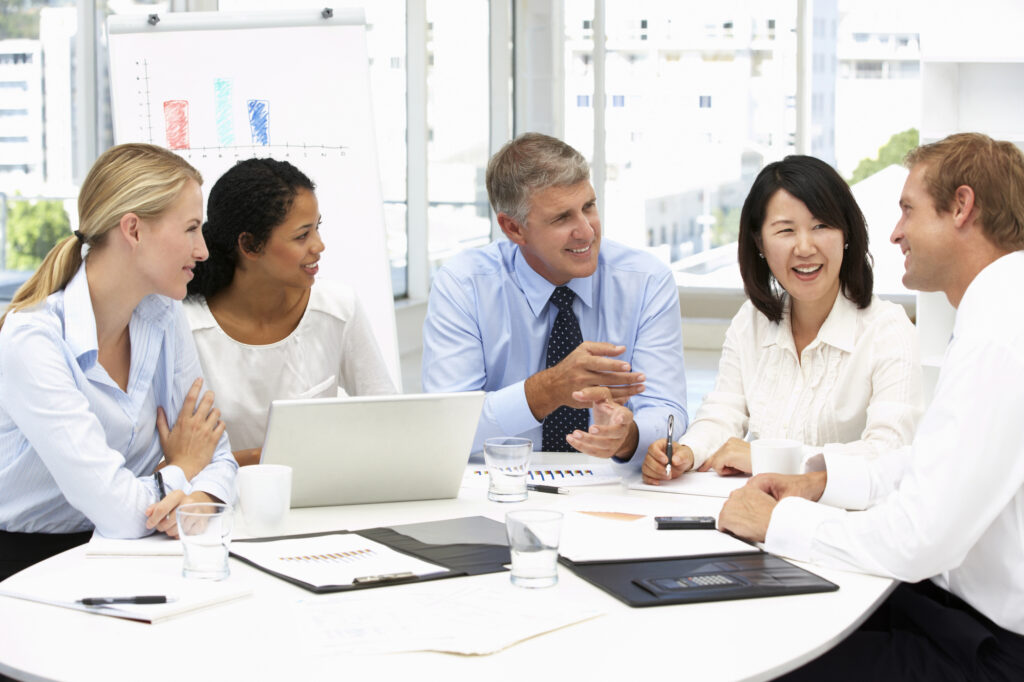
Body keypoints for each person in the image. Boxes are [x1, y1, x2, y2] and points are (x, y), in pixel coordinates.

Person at [719, 133, 1024, 680]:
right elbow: (935, 462)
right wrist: (822, 481)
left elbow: (918, 541)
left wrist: (780, 521)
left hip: (989, 648)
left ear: (961, 207)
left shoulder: (998, 337)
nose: (896, 232)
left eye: (908, 210)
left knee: (760, 660)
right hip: (952, 611)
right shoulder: (998, 311)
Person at [0, 143, 237, 581]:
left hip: (141, 552)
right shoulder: (32, 340)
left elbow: (219, 458)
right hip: (28, 566)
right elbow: (117, 510)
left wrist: (195, 496)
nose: (202, 250)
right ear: (133, 230)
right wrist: (182, 469)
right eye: (190, 229)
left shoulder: (165, 317)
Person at [641, 155, 921, 491]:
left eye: (821, 226)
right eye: (785, 230)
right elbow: (723, 411)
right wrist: (687, 451)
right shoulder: (752, 321)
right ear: (759, 243)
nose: (805, 247)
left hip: (843, 525)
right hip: (755, 514)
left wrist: (766, 458)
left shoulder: (888, 330)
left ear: (846, 233)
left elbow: (889, 453)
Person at [422, 132, 687, 463]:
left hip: (610, 490)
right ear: (514, 229)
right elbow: (446, 428)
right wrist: (548, 390)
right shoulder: (465, 285)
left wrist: (627, 438)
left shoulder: (646, 280)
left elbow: (668, 412)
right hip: (498, 486)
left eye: (588, 207)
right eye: (562, 218)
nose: (587, 232)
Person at [185, 158, 396, 467]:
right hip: (221, 506)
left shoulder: (338, 308)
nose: (319, 245)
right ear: (250, 245)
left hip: (321, 500)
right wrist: (269, 458)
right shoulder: (187, 326)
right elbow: (174, 463)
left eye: (317, 228)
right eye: (302, 235)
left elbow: (389, 421)